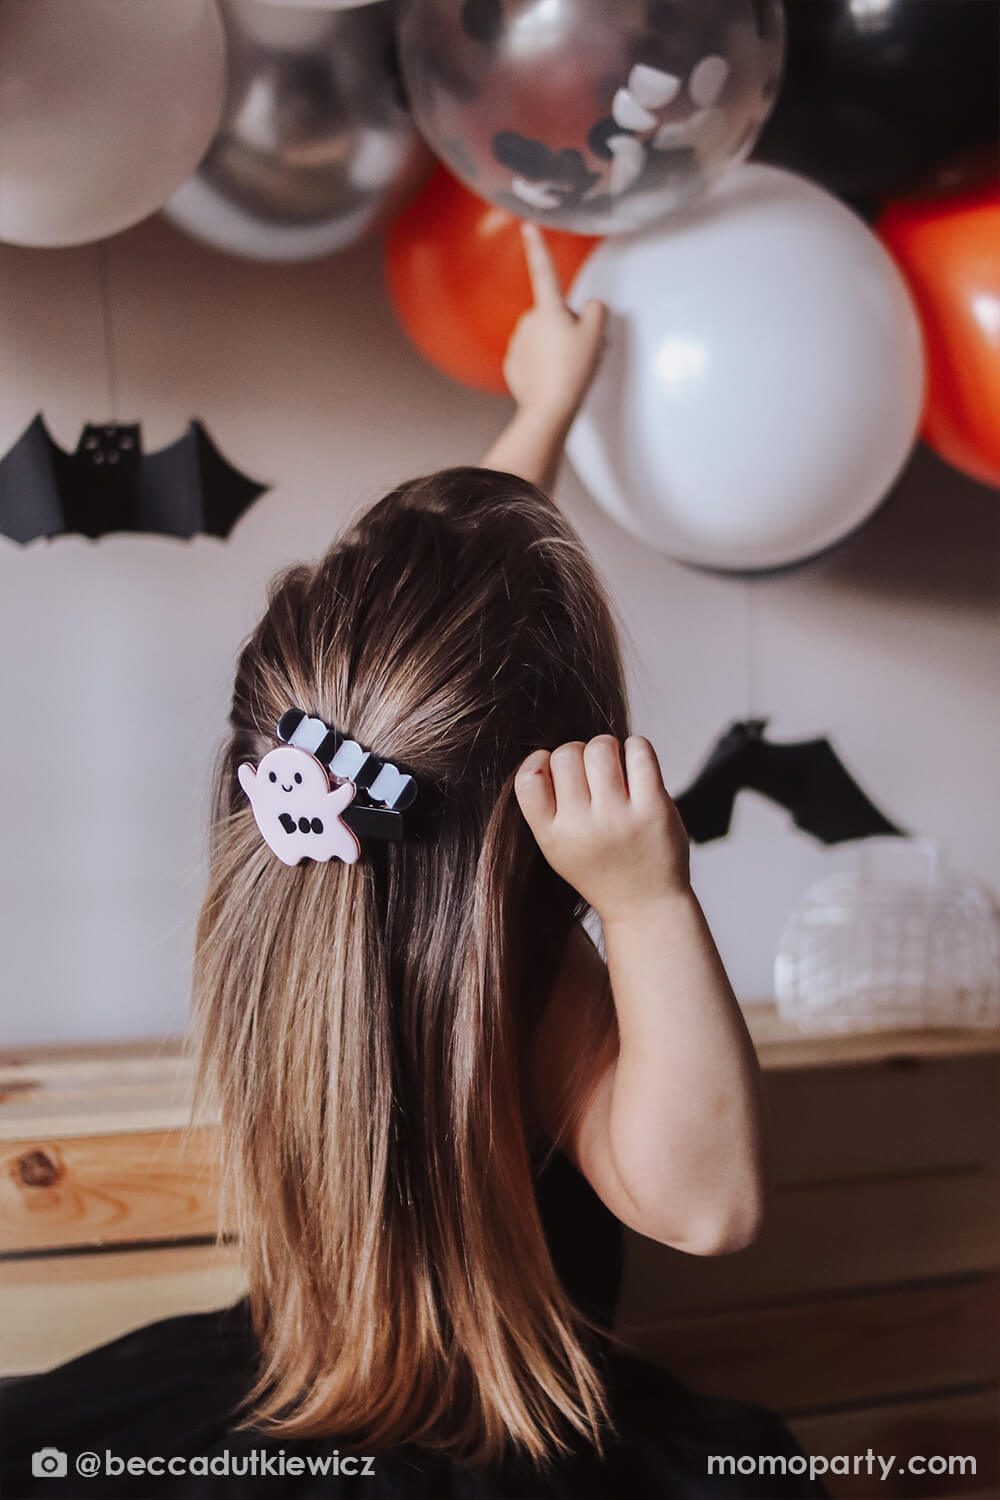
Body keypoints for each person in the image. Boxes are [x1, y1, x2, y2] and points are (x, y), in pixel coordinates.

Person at [0, 227, 825, 1500]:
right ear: (544, 797)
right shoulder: (537, 981)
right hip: (506, 1438)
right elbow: (708, 1209)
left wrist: (541, 410)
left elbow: (450, 633)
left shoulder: (282, 876)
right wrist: (649, 900)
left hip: (297, 1380)